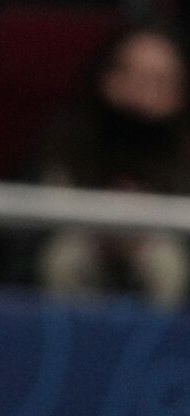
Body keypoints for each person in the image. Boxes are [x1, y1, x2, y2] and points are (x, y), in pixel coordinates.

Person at [37, 22, 190, 310]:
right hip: (78, 256)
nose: (142, 94)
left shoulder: (183, 153)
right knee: (65, 258)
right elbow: (21, 241)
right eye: (132, 75)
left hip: (166, 286)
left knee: (167, 263)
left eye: (158, 81)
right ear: (106, 76)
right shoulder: (67, 140)